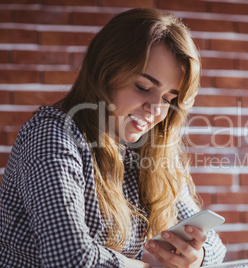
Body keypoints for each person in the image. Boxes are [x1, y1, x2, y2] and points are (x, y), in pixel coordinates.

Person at [0, 8, 226, 267]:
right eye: (143, 87)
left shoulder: (146, 149)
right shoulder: (52, 135)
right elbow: (70, 258)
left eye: (168, 98)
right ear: (105, 72)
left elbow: (214, 244)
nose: (155, 110)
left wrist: (198, 257)